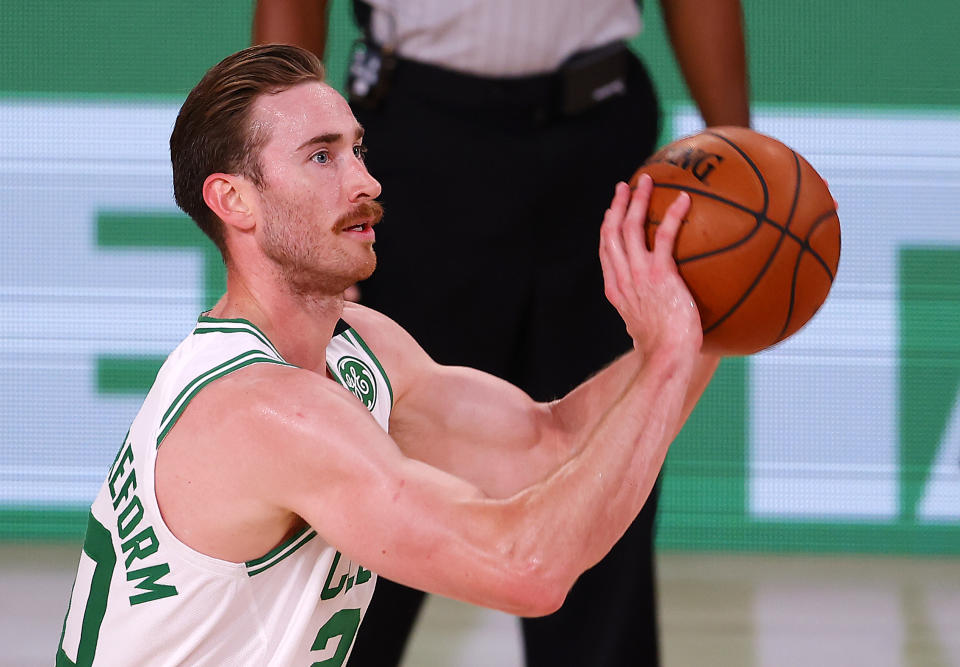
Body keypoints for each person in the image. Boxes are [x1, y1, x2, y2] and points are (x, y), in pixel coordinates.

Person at [56, 44, 718, 666]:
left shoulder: (358, 343)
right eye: (322, 157)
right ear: (235, 200)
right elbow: (527, 569)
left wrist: (709, 324)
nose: (365, 180)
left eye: (357, 149)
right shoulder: (260, 411)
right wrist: (665, 360)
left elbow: (550, 445)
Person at [253, 1, 749, 665]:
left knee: (606, 482)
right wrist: (291, 198)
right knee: (371, 487)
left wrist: (737, 163)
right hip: (417, 143)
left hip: (599, 145)